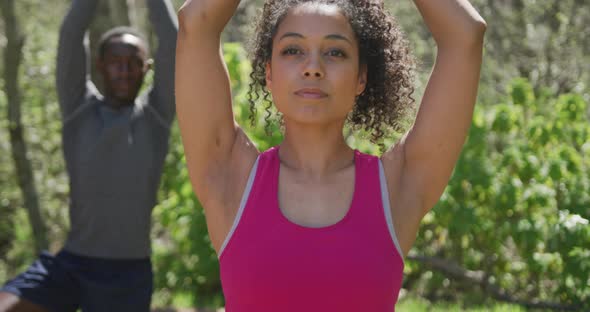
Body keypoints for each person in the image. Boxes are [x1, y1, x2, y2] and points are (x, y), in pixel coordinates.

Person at [176, 0, 485, 310]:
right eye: (293, 50)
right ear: (268, 74)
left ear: (361, 78)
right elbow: (196, 21)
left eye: (335, 52)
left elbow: (465, 34)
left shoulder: (398, 186)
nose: (313, 68)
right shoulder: (232, 179)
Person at [0, 0, 177, 311]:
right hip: (71, 265)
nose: (123, 70)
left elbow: (173, 41)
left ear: (147, 68)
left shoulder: (156, 118)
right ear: (99, 65)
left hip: (128, 276)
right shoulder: (78, 110)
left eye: (133, 62)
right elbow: (71, 33)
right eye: (115, 61)